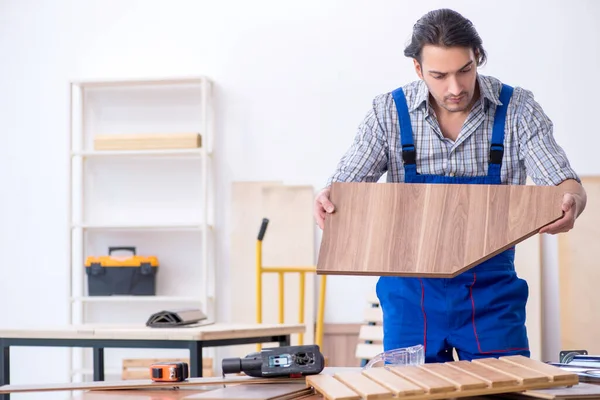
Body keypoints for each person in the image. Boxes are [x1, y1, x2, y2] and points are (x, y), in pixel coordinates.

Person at [313, 8, 587, 362]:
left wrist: (572, 202)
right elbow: (345, 186)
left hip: (491, 297)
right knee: (413, 395)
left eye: (465, 71)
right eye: (439, 75)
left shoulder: (517, 109)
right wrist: (327, 198)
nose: (455, 88)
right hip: (410, 301)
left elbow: (567, 184)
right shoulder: (388, 113)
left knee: (504, 393)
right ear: (417, 69)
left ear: (478, 58)